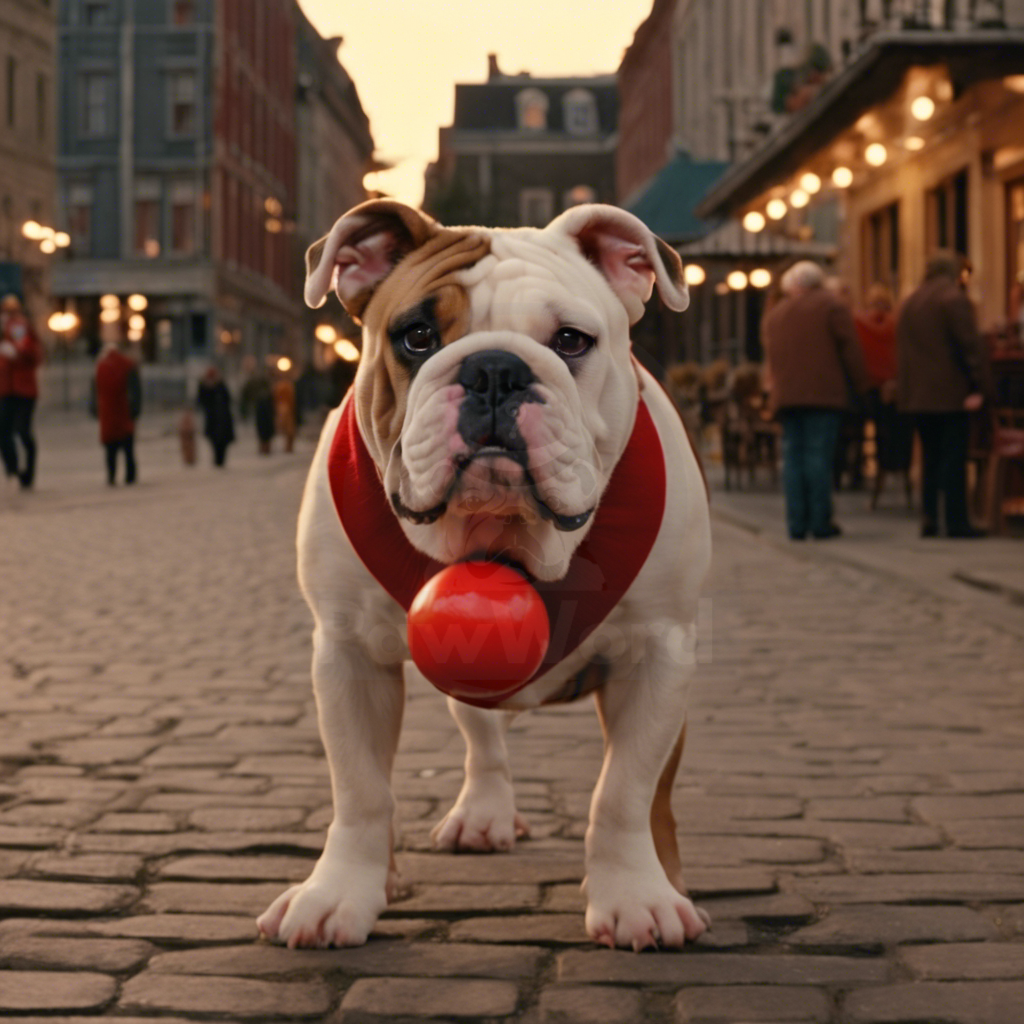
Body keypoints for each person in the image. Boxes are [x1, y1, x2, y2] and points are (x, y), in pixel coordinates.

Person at [762, 261, 869, 540]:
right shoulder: (831, 306)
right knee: (818, 457)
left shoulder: (777, 314)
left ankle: (797, 523)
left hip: (786, 397)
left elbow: (771, 359)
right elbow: (851, 350)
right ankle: (820, 522)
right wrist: (863, 387)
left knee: (793, 458)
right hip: (822, 395)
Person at [897, 251, 992, 538]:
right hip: (950, 392)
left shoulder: (911, 301)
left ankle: (929, 517)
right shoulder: (952, 299)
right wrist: (980, 387)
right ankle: (956, 521)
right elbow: (969, 347)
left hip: (919, 395)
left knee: (930, 458)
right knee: (953, 458)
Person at [854, 284, 913, 509]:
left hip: (871, 390)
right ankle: (901, 473)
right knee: (900, 435)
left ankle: (879, 473)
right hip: (898, 389)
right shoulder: (896, 324)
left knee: (881, 436)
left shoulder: (859, 324)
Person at [0, 294, 43, 489]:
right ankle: (15, 469)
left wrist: (13, 352)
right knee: (6, 431)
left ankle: (25, 473)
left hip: (22, 389)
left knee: (22, 431)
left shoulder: (17, 325)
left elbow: (24, 350)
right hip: (7, 388)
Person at [93, 339, 141, 486]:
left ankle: (111, 476)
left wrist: (95, 411)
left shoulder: (101, 367)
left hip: (107, 413)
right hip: (124, 412)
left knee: (110, 450)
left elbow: (94, 392)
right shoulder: (128, 365)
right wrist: (135, 411)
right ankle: (130, 477)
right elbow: (135, 391)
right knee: (128, 449)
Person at [196, 365, 236, 467]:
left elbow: (228, 399)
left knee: (223, 442)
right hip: (212, 419)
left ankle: (220, 460)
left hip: (223, 418)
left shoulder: (221, 385)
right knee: (214, 440)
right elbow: (200, 401)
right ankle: (217, 460)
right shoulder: (204, 387)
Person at [241, 363, 275, 454]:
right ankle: (263, 446)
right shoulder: (252, 383)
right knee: (262, 428)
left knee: (266, 428)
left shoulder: (264, 382)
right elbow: (245, 395)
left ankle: (266, 446)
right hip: (258, 407)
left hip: (265, 407)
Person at [273, 370, 296, 453]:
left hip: (288, 409)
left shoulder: (289, 386)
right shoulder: (279, 386)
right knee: (284, 427)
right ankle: (287, 446)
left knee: (289, 429)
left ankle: (289, 446)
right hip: (281, 408)